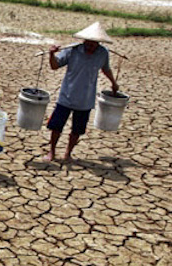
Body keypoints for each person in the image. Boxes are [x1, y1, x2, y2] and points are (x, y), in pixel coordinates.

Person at [44, 22, 119, 162]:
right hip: (66, 96)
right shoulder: (72, 50)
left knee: (77, 130)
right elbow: (55, 66)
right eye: (88, 42)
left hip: (85, 99)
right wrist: (51, 54)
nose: (90, 46)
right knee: (56, 127)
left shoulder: (103, 53)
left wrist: (114, 83)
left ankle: (68, 153)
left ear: (98, 43)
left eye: (94, 43)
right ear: (84, 40)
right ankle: (52, 152)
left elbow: (106, 69)